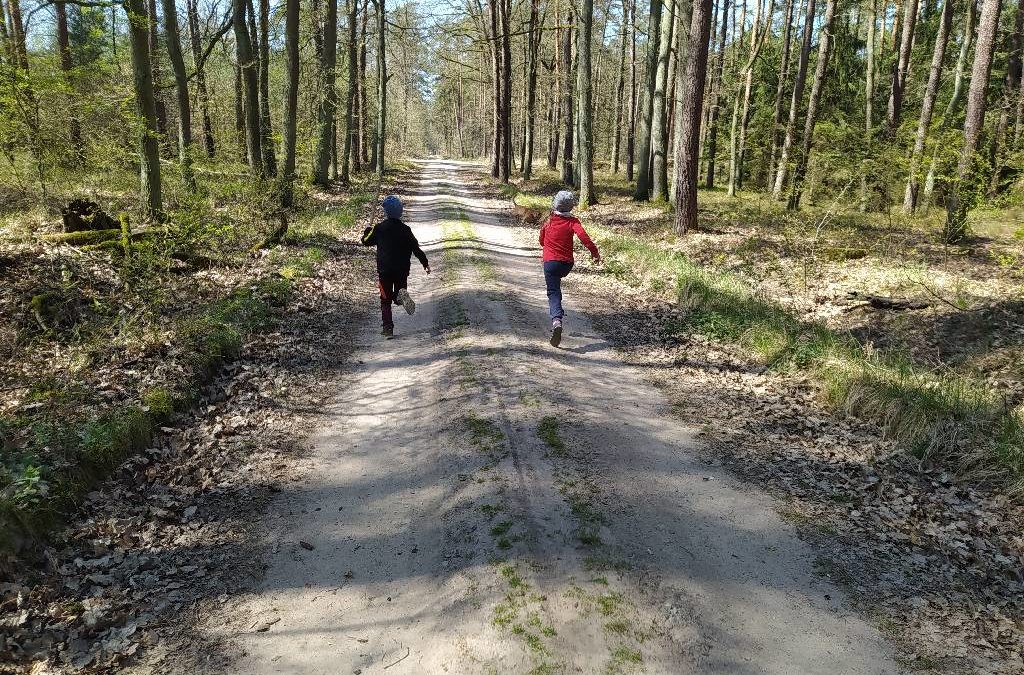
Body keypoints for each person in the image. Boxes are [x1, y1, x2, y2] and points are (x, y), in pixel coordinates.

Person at [361, 195, 430, 339]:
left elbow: (365, 242)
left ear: (386, 212)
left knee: (385, 300)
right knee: (398, 296)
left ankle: (388, 328)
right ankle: (400, 297)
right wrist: (425, 263)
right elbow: (416, 249)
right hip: (402, 270)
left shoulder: (379, 228)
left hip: (384, 271)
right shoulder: (406, 230)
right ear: (400, 212)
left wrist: (367, 231)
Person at [538, 190, 600, 347]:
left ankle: (557, 320)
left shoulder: (549, 220)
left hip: (550, 263)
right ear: (571, 206)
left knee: (553, 292)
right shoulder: (573, 222)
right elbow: (585, 238)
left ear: (555, 204)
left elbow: (541, 240)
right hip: (566, 264)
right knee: (558, 282)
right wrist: (595, 253)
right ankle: (558, 312)